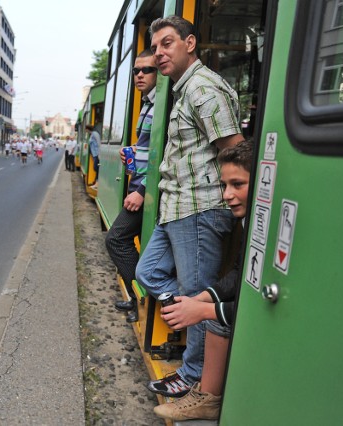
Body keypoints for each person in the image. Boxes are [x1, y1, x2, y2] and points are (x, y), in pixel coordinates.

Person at [136, 15, 244, 398]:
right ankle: (189, 312)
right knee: (147, 272)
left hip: (199, 209)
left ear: (190, 43)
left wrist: (235, 196)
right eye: (156, 47)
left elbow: (233, 146)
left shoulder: (202, 89)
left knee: (196, 291)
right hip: (176, 208)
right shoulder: (185, 91)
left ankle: (194, 373)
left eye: (167, 43)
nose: (160, 53)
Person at [153, 139, 253, 421]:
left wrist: (204, 311)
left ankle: (208, 399)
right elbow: (238, 272)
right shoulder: (250, 219)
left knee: (214, 319)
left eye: (237, 184)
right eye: (224, 185)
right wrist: (201, 299)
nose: (227, 195)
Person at [105, 49, 158, 323]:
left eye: (147, 70)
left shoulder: (162, 105)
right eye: (136, 70)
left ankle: (142, 299)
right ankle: (136, 300)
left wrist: (141, 189)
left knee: (116, 239)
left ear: (159, 72)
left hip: (145, 191)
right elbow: (150, 148)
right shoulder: (148, 104)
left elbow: (165, 153)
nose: (139, 74)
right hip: (139, 186)